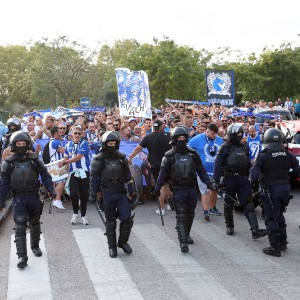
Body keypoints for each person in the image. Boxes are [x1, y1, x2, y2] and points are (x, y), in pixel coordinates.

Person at [153, 127, 213, 252]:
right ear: (174, 139)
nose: (182, 140)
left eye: (183, 137)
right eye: (179, 138)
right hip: (178, 189)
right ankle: (183, 242)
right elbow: (162, 174)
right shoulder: (169, 157)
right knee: (181, 215)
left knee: (190, 214)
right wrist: (157, 188)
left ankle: (186, 234)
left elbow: (201, 171)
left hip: (191, 188)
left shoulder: (193, 154)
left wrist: (209, 183)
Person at [0, 132, 55, 268]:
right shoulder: (8, 162)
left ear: (27, 144)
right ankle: (22, 257)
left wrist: (51, 189)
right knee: (19, 227)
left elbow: (45, 175)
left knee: (35, 222)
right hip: (18, 198)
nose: (21, 146)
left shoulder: (35, 159)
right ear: (13, 145)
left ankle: (35, 246)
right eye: (18, 144)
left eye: (23, 144)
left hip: (33, 196)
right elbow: (3, 184)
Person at [251, 128, 300, 257]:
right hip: (285, 188)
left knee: (271, 217)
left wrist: (254, 184)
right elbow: (297, 169)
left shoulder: (264, 154)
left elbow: (255, 174)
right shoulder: (287, 153)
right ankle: (283, 242)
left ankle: (275, 247)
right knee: (279, 215)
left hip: (271, 190)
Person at [213, 123, 267, 239]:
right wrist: (216, 181)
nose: (239, 135)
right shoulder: (224, 147)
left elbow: (248, 164)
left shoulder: (244, 147)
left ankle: (255, 230)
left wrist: (253, 178)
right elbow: (217, 165)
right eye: (237, 133)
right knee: (228, 203)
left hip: (243, 179)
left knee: (248, 204)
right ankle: (230, 227)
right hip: (229, 179)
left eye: (240, 133)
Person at [90, 131, 136, 258]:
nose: (112, 146)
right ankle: (112, 246)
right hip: (107, 194)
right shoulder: (98, 159)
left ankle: (123, 242)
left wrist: (132, 189)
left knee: (127, 218)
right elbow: (94, 178)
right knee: (110, 221)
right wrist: (93, 194)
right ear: (105, 144)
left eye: (114, 143)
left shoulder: (122, 158)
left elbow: (128, 175)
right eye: (110, 143)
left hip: (121, 193)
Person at [128, 120, 171, 215]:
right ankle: (170, 205)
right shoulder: (169, 135)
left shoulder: (148, 137)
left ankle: (161, 209)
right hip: (168, 163)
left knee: (160, 186)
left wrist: (130, 157)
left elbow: (138, 148)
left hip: (156, 165)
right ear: (162, 126)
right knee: (167, 184)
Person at [188, 123, 224, 220]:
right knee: (205, 191)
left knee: (215, 189)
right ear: (207, 131)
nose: (214, 136)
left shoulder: (219, 140)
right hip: (203, 171)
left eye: (215, 134)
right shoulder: (197, 139)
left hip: (216, 171)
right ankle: (206, 211)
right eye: (212, 134)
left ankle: (212, 208)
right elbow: (187, 148)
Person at [58, 126, 90, 225]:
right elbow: (65, 159)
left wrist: (65, 162)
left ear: (82, 134)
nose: (76, 135)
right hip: (73, 172)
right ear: (71, 134)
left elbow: (78, 157)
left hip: (84, 172)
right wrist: (59, 165)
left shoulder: (84, 143)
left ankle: (83, 216)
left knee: (84, 194)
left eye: (78, 133)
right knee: (73, 194)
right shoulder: (68, 145)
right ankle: (75, 213)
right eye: (75, 133)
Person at [49, 126, 66, 210]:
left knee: (59, 182)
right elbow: (64, 151)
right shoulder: (55, 142)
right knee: (62, 182)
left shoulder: (54, 141)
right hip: (57, 164)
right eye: (59, 132)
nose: (61, 133)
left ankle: (56, 199)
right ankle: (57, 200)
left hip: (56, 164)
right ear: (56, 133)